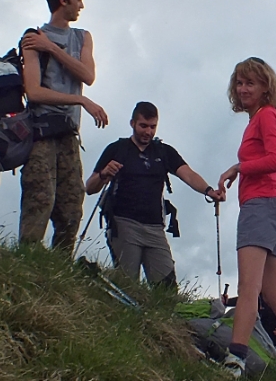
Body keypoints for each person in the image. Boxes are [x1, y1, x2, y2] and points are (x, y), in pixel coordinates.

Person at [215, 57, 276, 378]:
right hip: (274, 207)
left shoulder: (266, 116)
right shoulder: (260, 118)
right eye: (239, 83)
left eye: (250, 83)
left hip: (261, 206)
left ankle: (234, 360)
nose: (243, 89)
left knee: (249, 287)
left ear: (265, 87)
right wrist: (237, 169)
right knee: (273, 294)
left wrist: (240, 168)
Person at [19, 0, 109, 250]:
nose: (81, 5)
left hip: (69, 134)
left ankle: (60, 273)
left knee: (71, 207)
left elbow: (87, 75)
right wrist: (81, 101)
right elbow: (33, 91)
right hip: (41, 132)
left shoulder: (82, 37)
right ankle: (27, 261)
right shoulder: (33, 38)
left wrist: (53, 50)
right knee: (40, 199)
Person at [86, 101, 223, 284]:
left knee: (166, 287)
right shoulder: (117, 149)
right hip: (123, 223)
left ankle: (160, 312)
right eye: (143, 126)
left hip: (155, 227)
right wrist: (104, 174)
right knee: (127, 284)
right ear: (132, 123)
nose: (148, 132)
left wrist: (209, 191)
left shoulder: (164, 151)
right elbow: (90, 188)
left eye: (153, 127)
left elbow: (188, 174)